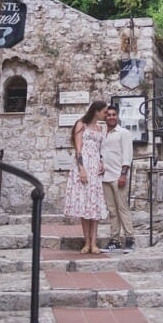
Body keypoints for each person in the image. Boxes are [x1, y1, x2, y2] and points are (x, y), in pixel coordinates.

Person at [64, 100, 108, 253]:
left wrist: (101, 162)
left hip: (95, 167)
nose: (106, 114)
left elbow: (101, 149)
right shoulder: (81, 124)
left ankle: (94, 243)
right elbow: (78, 149)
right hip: (84, 166)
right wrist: (81, 168)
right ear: (96, 111)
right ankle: (87, 242)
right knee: (84, 204)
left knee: (94, 204)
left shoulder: (101, 128)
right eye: (104, 111)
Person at [101, 103, 135, 250]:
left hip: (118, 176)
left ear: (117, 116)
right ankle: (114, 240)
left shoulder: (123, 133)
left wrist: (123, 174)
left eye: (113, 114)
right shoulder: (102, 133)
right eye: (108, 115)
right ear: (105, 116)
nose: (111, 117)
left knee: (122, 208)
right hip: (105, 177)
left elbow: (127, 155)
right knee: (112, 210)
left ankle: (129, 239)